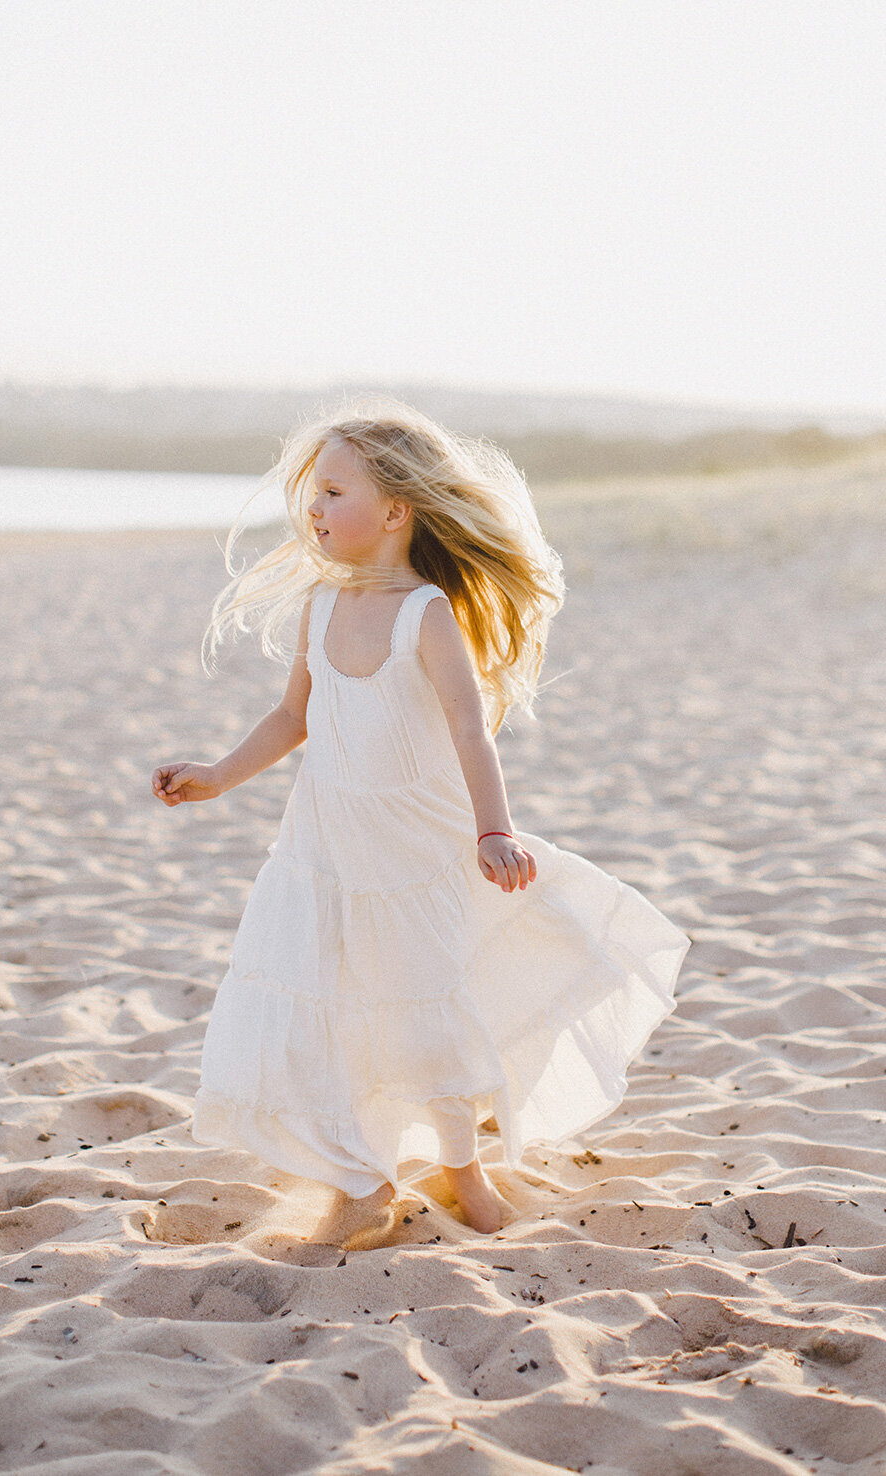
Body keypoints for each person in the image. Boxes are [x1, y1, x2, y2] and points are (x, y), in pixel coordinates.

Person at [152, 396, 690, 1245]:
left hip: (417, 847)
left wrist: (494, 831)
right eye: (313, 493)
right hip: (326, 846)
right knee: (332, 998)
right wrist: (218, 775)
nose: (314, 509)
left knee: (423, 1002)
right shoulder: (320, 609)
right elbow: (292, 716)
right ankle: (356, 1178)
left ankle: (460, 1170)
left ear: (396, 511)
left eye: (333, 491)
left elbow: (471, 731)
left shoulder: (426, 615)